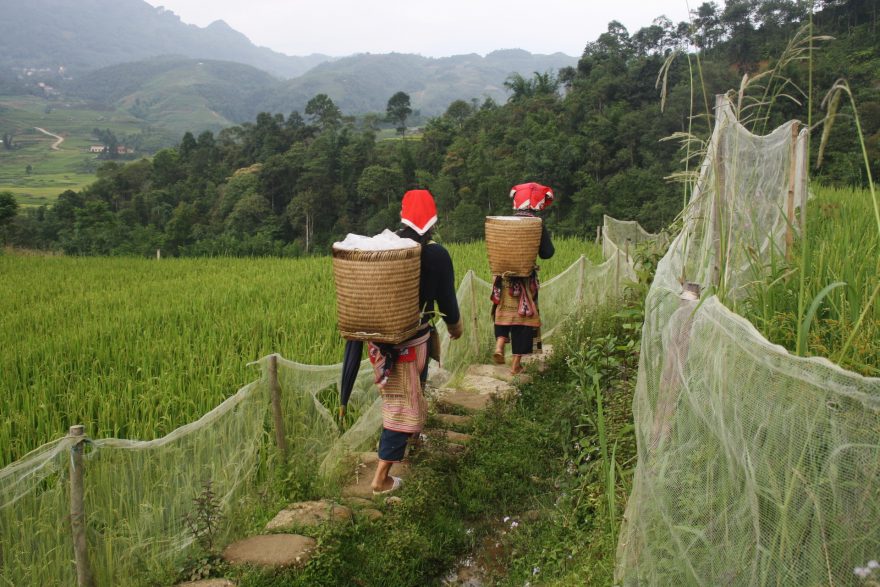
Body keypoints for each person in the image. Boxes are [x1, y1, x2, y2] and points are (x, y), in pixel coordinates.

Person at [340, 189, 463, 495]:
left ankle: (414, 441)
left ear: (402, 215)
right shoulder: (435, 254)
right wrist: (455, 326)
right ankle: (381, 479)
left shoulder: (384, 248)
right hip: (411, 344)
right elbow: (447, 299)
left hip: (380, 345)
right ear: (434, 220)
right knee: (401, 405)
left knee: (411, 393)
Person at [491, 182, 555, 375]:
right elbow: (547, 253)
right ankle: (515, 364)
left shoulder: (504, 223)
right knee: (524, 319)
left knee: (503, 312)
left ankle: (500, 343)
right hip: (525, 281)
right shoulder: (536, 224)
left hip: (503, 280)